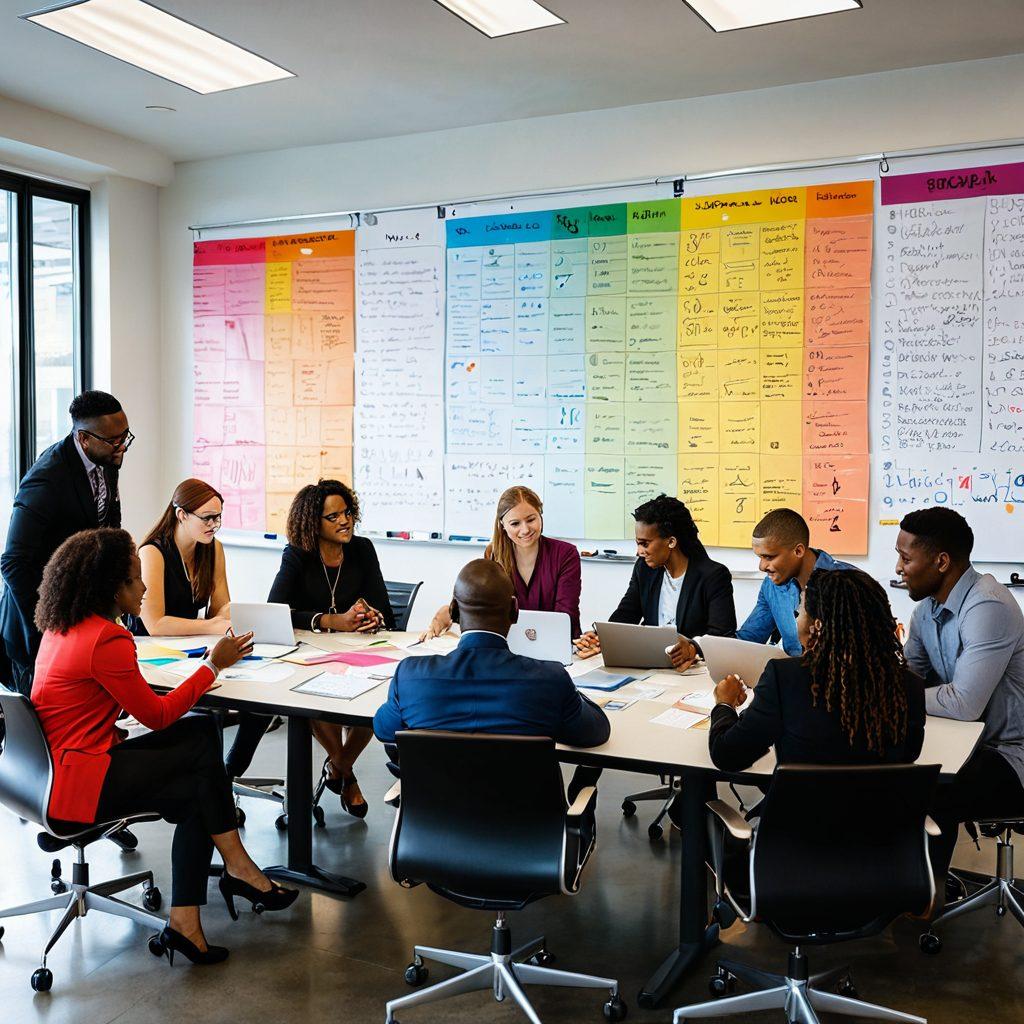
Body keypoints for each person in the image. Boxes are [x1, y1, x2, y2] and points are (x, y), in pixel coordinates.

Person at [30, 528, 297, 965]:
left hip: (50, 774)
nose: (146, 587)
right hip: (77, 787)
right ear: (113, 588)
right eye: (137, 580)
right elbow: (155, 716)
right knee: (198, 762)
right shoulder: (107, 639)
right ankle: (232, 875)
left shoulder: (62, 625)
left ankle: (205, 905)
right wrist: (214, 664)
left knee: (198, 752)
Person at [232, 479, 392, 818]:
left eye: (346, 512)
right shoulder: (298, 554)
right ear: (312, 523)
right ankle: (346, 776)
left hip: (357, 652)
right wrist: (330, 621)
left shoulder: (362, 550)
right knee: (315, 698)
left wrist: (371, 616)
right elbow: (276, 609)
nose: (344, 521)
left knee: (373, 701)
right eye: (332, 517)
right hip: (309, 653)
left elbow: (385, 611)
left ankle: (339, 765)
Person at [896, 507, 1024, 892]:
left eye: (906, 558)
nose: (899, 568)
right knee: (888, 769)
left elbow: (963, 703)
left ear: (941, 561)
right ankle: (891, 887)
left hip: (1008, 754)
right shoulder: (925, 611)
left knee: (929, 788)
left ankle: (923, 897)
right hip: (963, 743)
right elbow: (908, 680)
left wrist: (892, 694)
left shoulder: (988, 606)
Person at [374, 558, 609, 751]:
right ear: (515, 611)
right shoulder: (550, 679)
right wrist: (571, 694)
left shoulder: (410, 676)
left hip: (433, 807)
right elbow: (595, 732)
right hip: (525, 808)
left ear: (453, 611)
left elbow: (384, 729)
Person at [709, 568, 926, 773]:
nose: (795, 619)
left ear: (817, 626)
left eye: (800, 612)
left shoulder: (785, 679)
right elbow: (909, 755)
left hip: (801, 813)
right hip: (882, 813)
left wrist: (724, 704)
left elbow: (727, 755)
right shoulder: (910, 686)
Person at [1, 390, 131, 695]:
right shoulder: (47, 479)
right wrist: (54, 623)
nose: (122, 446)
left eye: (125, 436)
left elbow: (108, 531)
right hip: (38, 632)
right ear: (84, 438)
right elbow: (13, 563)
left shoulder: (108, 459)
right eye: (114, 440)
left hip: (82, 618)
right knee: (46, 733)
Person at [573, 494, 736, 672]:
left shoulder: (713, 576)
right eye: (638, 544)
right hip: (652, 666)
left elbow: (722, 636)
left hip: (693, 670)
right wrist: (601, 637)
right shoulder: (644, 569)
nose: (639, 552)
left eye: (644, 544)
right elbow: (627, 613)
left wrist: (692, 647)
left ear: (671, 541)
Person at [421, 485, 582, 639]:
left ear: (540, 515)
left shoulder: (565, 554)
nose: (525, 529)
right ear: (502, 525)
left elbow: (566, 616)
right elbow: (483, 607)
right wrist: (449, 613)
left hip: (556, 646)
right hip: (508, 648)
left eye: (531, 519)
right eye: (515, 524)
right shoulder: (493, 554)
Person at [735, 507, 854, 656]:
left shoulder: (850, 582)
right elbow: (748, 641)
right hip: (794, 674)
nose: (762, 567)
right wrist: (701, 646)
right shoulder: (771, 586)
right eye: (760, 557)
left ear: (798, 551)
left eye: (769, 557)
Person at [136, 478, 231, 636]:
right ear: (181, 515)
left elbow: (221, 611)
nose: (214, 525)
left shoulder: (214, 547)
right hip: (148, 647)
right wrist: (209, 625)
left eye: (217, 517)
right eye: (206, 518)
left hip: (187, 645)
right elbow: (155, 625)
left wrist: (220, 618)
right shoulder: (152, 552)